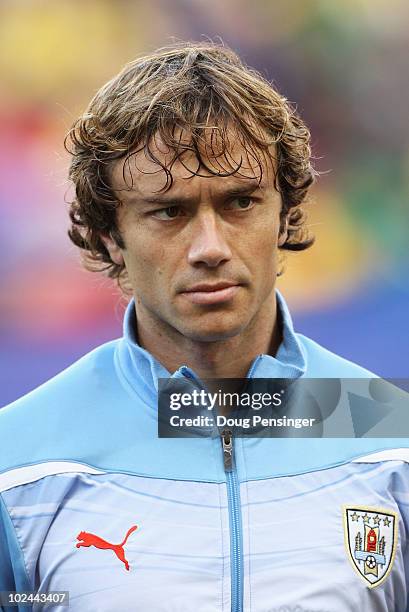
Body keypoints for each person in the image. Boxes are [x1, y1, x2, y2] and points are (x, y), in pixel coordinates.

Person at [0, 42, 408, 612]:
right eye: (169, 211)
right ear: (109, 236)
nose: (210, 248)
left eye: (241, 203)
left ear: (285, 213)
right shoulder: (19, 460)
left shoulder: (390, 436)